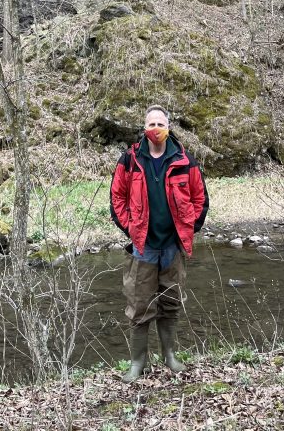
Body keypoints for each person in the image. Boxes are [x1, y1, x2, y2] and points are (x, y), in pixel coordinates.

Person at [110, 105, 208, 381]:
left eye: (160, 124)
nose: (156, 129)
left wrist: (189, 227)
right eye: (151, 124)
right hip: (143, 246)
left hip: (173, 247)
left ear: (168, 127)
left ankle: (170, 356)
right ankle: (137, 363)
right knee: (139, 306)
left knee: (171, 302)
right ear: (144, 128)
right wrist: (130, 228)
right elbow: (116, 198)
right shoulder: (129, 160)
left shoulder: (185, 160)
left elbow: (201, 199)